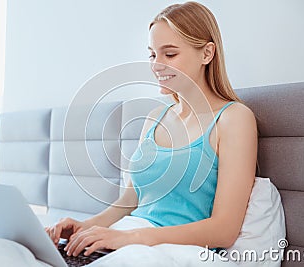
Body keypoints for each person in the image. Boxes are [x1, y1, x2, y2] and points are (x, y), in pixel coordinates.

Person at [45, 1, 257, 258]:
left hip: (175, 251)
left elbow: (224, 230)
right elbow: (130, 201)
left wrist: (134, 239)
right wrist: (86, 226)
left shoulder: (234, 118)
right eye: (152, 55)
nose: (156, 65)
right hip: (132, 237)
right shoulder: (156, 118)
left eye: (169, 54)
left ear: (207, 54)